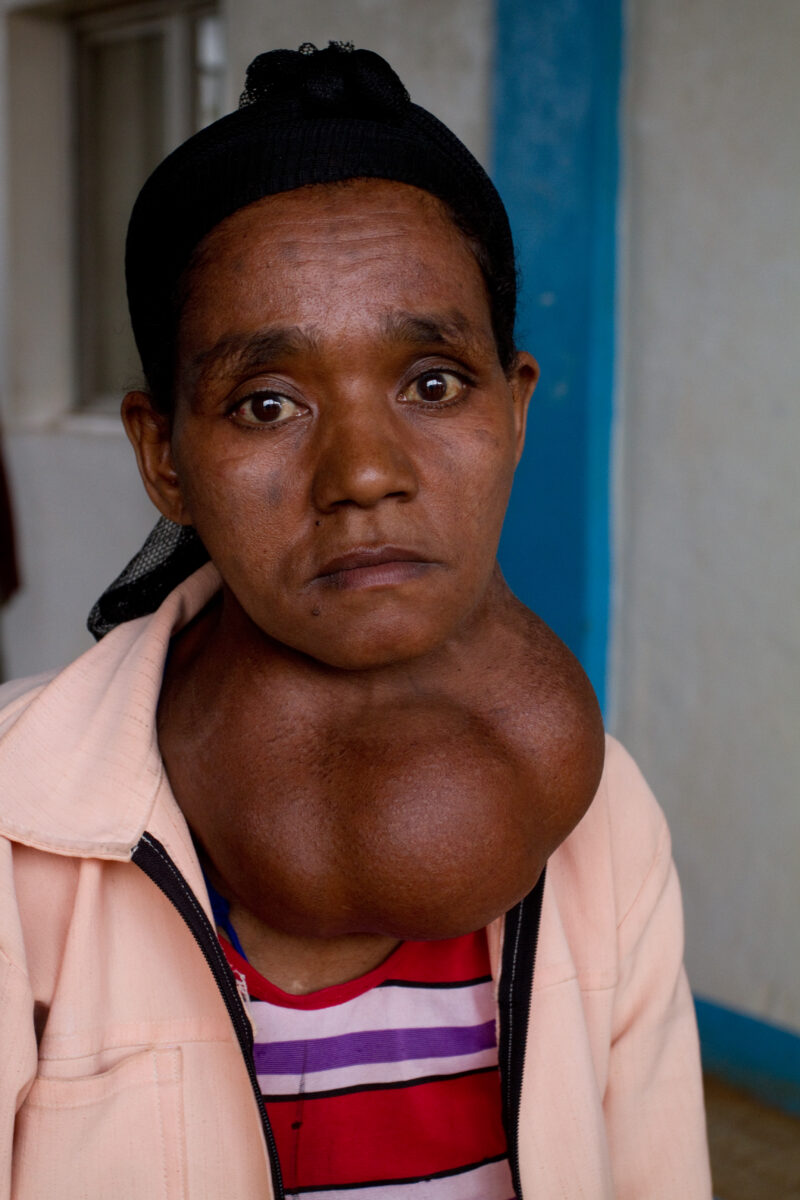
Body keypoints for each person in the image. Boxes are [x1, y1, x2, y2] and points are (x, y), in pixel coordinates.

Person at [0, 43, 711, 1200]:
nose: (365, 472)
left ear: (513, 408)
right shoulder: (15, 842)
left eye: (431, 382)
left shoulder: (605, 824)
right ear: (163, 456)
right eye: (265, 402)